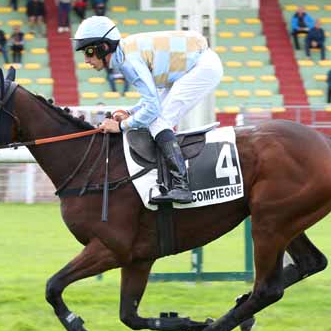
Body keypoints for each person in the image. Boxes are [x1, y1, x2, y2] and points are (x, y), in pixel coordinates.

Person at [72, 16, 223, 204]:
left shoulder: (128, 61)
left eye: (88, 51)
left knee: (158, 121)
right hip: (190, 67)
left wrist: (121, 127)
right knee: (155, 119)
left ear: (104, 47)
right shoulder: (124, 54)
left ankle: (181, 186)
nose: (86, 59)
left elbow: (152, 109)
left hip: (201, 67)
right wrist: (131, 112)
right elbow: (151, 100)